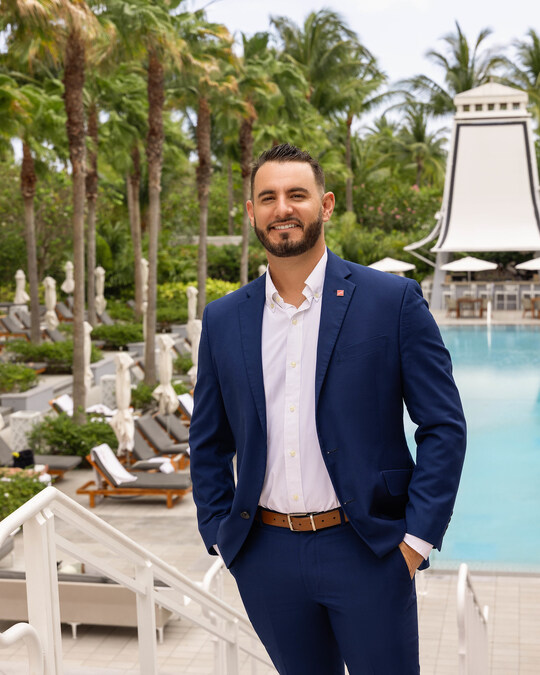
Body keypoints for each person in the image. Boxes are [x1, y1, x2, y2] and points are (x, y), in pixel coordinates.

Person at [189, 143, 466, 674]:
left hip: (368, 551)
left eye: (297, 194)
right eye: (267, 197)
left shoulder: (392, 301)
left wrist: (416, 540)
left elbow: (443, 425)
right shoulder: (224, 319)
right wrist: (222, 537)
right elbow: (208, 439)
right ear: (251, 212)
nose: (282, 208)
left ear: (327, 204)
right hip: (265, 556)